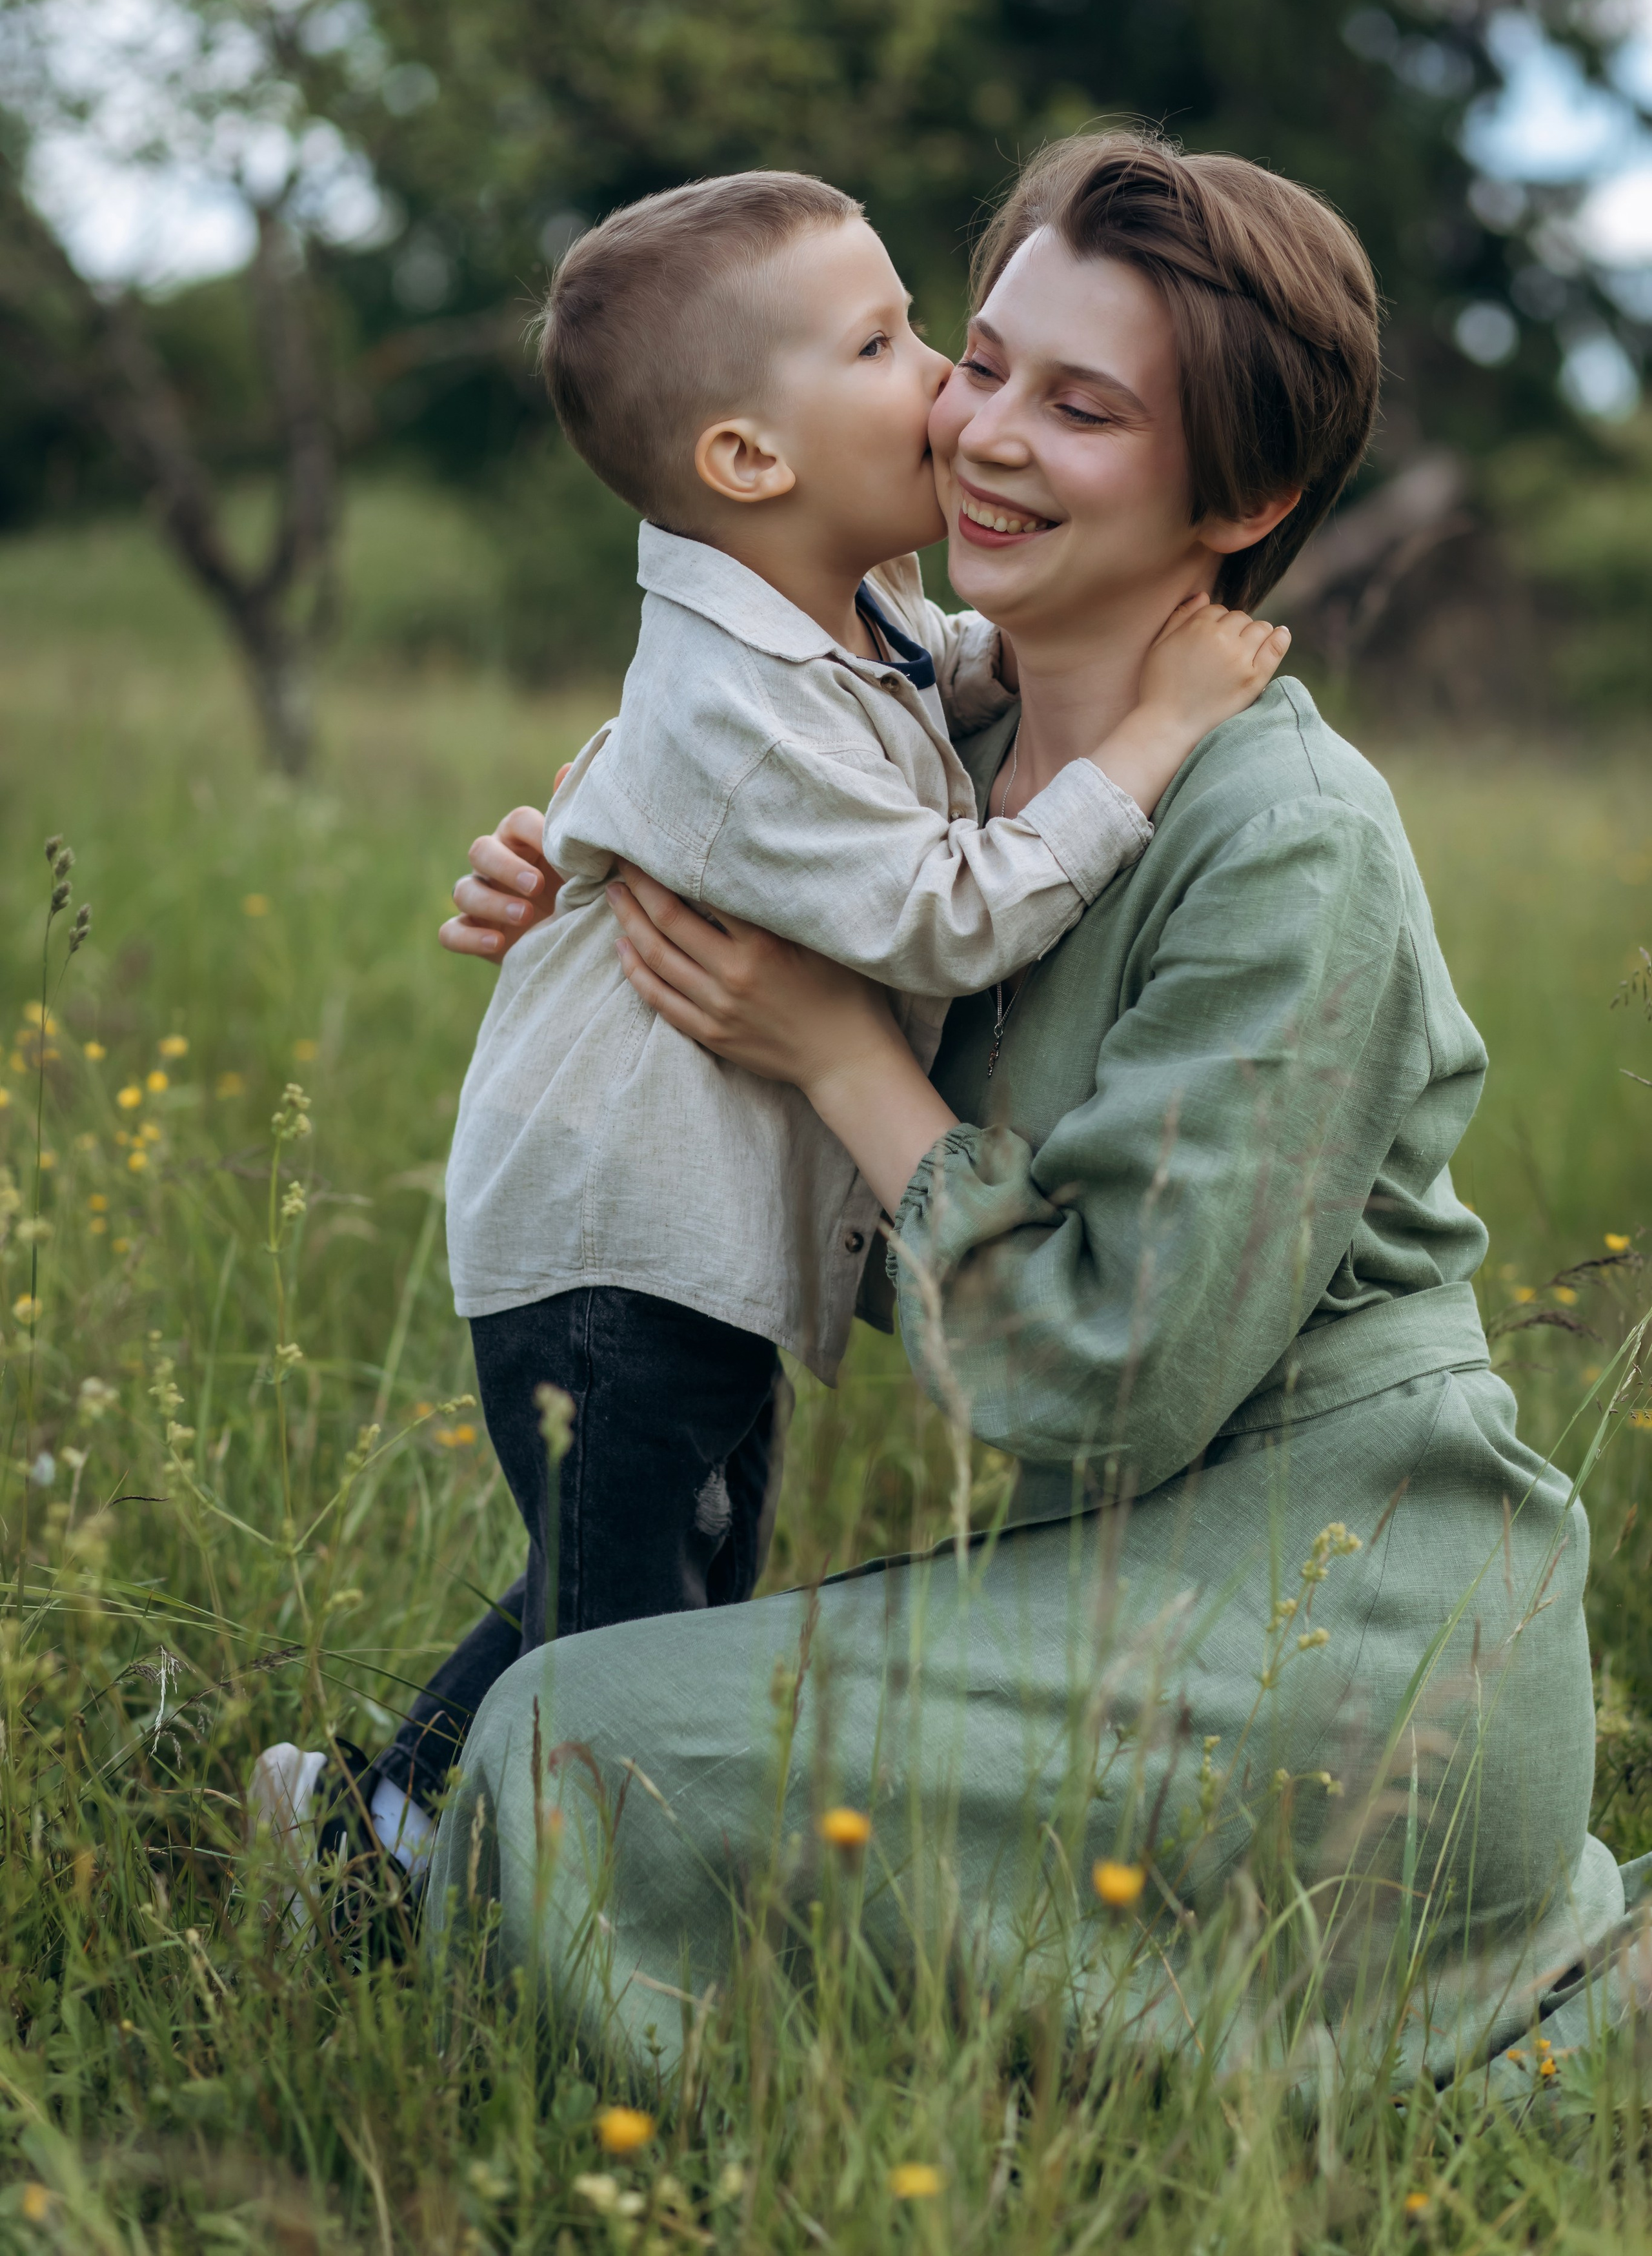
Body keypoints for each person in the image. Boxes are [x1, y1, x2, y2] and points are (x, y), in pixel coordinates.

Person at [425, 130, 1636, 2082]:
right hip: (1130, 1582)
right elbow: (747, 783)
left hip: (1352, 1652)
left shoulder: (1287, 841)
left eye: (1081, 407)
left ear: (1240, 494)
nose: (982, 432)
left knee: (571, 1742)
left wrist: (840, 1056)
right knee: (599, 1701)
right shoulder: (933, 745)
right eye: (977, 360)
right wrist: (581, 868)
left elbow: (1098, 1374)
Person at [252, 166, 1285, 1896]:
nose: (949, 378)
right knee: (634, 1631)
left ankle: (388, 1830)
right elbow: (952, 905)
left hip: (685, 1245)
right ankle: (439, 1882)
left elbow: (950, 675)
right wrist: (1149, 740)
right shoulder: (738, 701)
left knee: (669, 1575)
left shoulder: (832, 601)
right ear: (749, 461)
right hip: (616, 1252)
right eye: (890, 344)